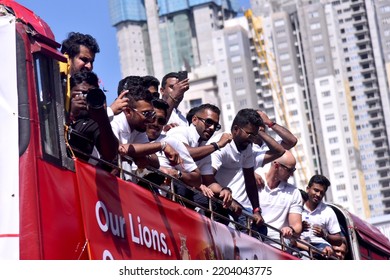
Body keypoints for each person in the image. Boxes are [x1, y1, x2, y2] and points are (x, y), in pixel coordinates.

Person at [167, 104, 237, 223]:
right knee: (183, 188)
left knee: (219, 205)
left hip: (187, 187)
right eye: (208, 122)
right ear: (194, 120)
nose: (211, 128)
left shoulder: (205, 148)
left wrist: (224, 190)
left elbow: (209, 181)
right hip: (168, 183)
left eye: (216, 126)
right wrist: (217, 145)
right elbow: (188, 153)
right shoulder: (180, 131)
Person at [110, 82, 181, 180]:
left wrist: (142, 155)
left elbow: (155, 162)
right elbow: (120, 149)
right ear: (128, 111)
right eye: (146, 113)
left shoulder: (139, 127)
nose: (150, 119)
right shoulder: (113, 121)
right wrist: (162, 145)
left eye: (152, 114)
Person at [210, 109, 265, 235]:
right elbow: (206, 177)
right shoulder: (222, 145)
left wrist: (256, 210)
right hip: (214, 195)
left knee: (260, 228)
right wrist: (225, 194)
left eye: (254, 135)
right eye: (249, 134)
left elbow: (250, 181)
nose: (252, 139)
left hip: (233, 200)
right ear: (236, 129)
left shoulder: (247, 146)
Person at [145, 99, 201, 195]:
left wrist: (177, 174)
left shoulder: (171, 142)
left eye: (161, 120)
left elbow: (196, 178)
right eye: (153, 118)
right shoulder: (135, 135)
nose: (155, 124)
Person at [67, 71, 118, 165]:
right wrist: (70, 114)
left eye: (90, 94)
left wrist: (102, 116)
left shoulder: (93, 124)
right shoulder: (55, 111)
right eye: (81, 93)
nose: (85, 98)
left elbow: (110, 154)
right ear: (69, 95)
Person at [258, 150, 302, 244]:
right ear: (276, 165)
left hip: (277, 241)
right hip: (252, 234)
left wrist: (290, 229)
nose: (291, 174)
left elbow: (297, 226)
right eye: (289, 170)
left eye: (293, 170)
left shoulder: (294, 192)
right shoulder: (255, 179)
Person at [253, 111, 297, 188]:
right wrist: (250, 173)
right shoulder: (244, 148)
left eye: (261, 125)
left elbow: (292, 141)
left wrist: (270, 123)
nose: (260, 128)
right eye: (256, 125)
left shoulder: (273, 146)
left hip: (275, 191)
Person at [60, 32, 100, 115]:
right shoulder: (54, 83)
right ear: (68, 57)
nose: (89, 66)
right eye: (84, 60)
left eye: (91, 62)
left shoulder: (92, 84)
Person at [300, 175, 342, 252]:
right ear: (307, 189)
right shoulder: (297, 207)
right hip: (300, 244)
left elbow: (339, 241)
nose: (318, 194)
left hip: (321, 247)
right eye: (316, 190)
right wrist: (299, 228)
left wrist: (325, 235)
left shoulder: (328, 211)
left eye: (322, 192)